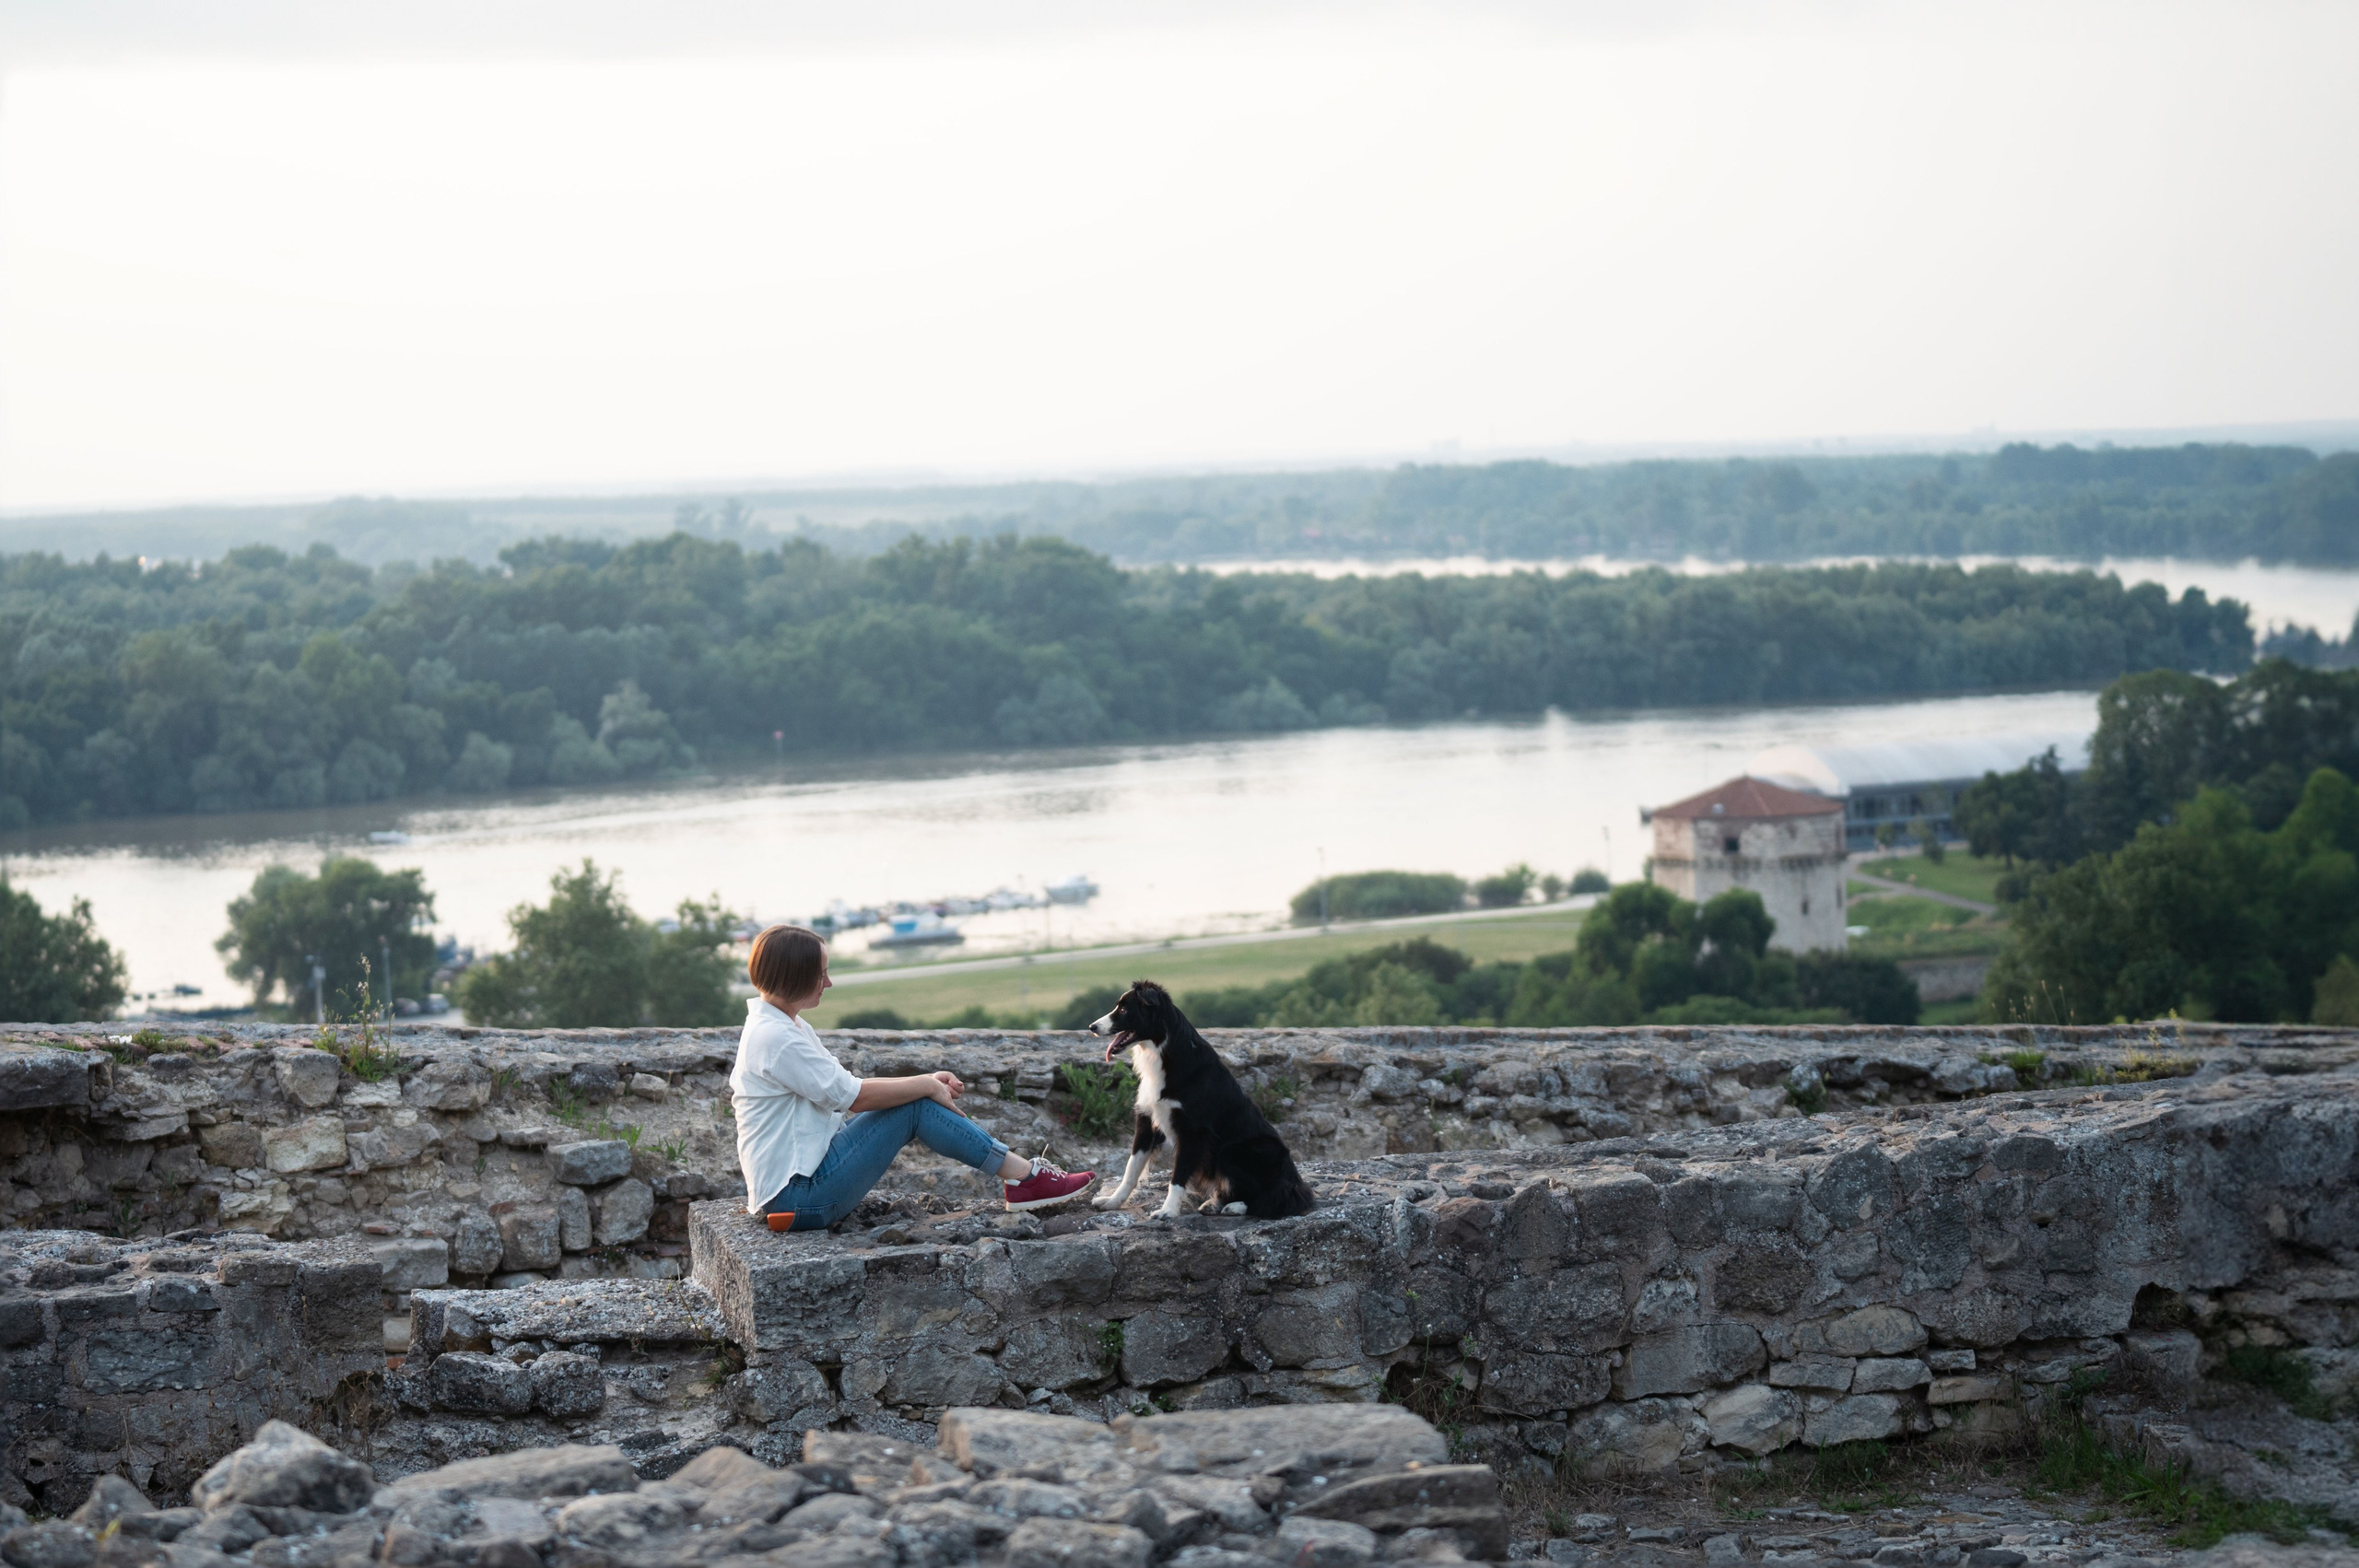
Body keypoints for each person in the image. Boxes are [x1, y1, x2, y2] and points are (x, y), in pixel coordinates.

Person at [732, 923, 1095, 1228]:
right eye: (821, 973)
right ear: (795, 976)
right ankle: (1026, 1178)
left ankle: (1025, 1178)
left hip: (799, 1186)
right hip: (798, 1199)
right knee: (916, 1105)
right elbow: (855, 1097)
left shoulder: (783, 1026)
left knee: (915, 1099)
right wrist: (925, 1085)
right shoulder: (776, 1038)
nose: (828, 983)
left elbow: (846, 1088)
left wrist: (926, 1081)